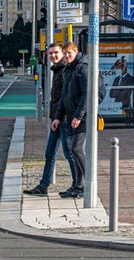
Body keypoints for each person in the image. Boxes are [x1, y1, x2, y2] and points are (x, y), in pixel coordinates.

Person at [52, 42, 106, 199]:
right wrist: (57, 117)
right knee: (73, 151)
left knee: (76, 149)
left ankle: (89, 182)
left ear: (76, 52)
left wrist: (78, 116)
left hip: (84, 116)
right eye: (65, 53)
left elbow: (87, 95)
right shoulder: (68, 70)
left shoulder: (83, 68)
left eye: (70, 53)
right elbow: (64, 96)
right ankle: (78, 186)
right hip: (72, 115)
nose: (67, 55)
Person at [24, 42, 77, 196]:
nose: (53, 56)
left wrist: (59, 117)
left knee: (69, 153)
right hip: (57, 118)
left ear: (62, 53)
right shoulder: (58, 69)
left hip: (64, 119)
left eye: (56, 53)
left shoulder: (64, 70)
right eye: (51, 53)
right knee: (50, 153)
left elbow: (64, 98)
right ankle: (44, 185)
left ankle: (78, 185)